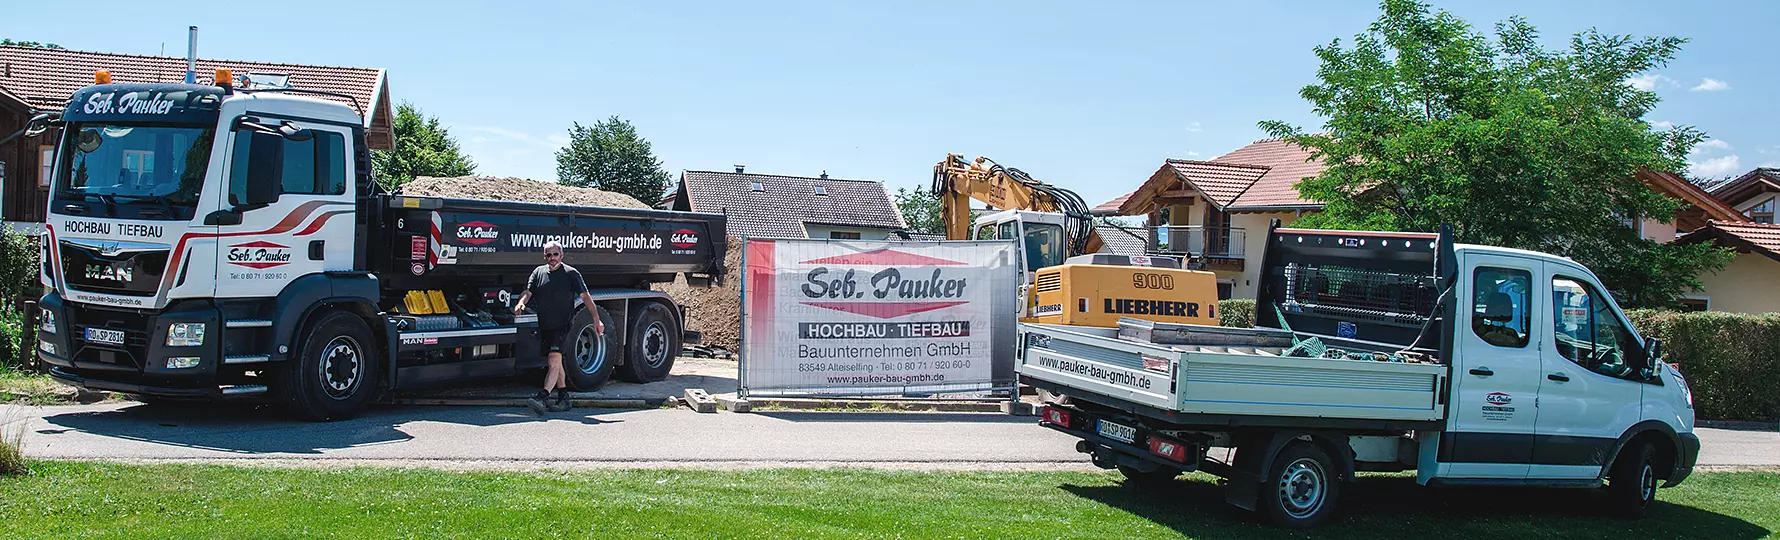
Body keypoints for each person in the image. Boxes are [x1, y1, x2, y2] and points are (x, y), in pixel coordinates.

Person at [514, 240, 604, 414]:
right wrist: (521, 303)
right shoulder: (538, 272)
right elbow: (528, 291)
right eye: (549, 255)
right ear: (544, 256)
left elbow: (586, 297)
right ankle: (564, 398)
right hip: (546, 324)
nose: (552, 258)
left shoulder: (571, 274)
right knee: (556, 362)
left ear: (561, 255)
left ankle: (543, 396)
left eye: (555, 254)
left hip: (563, 324)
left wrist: (596, 319)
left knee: (553, 360)